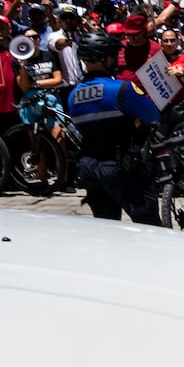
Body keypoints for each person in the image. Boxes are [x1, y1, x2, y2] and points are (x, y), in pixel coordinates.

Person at [66, 32, 162, 224]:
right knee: (149, 226)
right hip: (122, 166)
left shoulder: (74, 94)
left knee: (107, 228)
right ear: (107, 58)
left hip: (89, 167)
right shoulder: (121, 89)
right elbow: (152, 115)